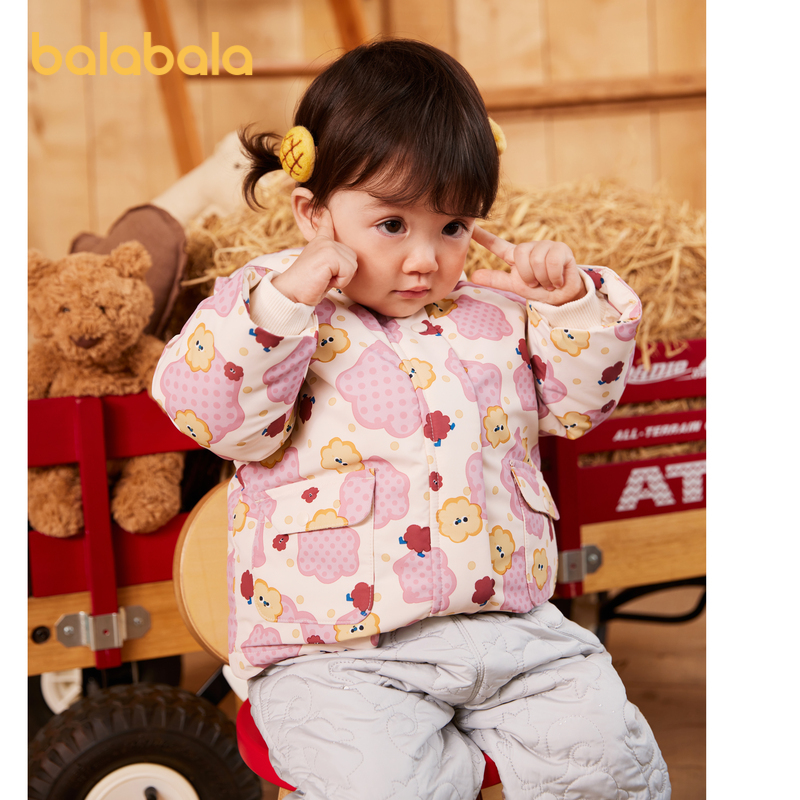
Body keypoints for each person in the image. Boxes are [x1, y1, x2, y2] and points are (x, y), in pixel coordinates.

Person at [153, 38, 669, 800]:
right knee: (383, 783)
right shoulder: (274, 304)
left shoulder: (496, 311)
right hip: (335, 651)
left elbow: (578, 407)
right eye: (392, 225)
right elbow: (212, 415)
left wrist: (570, 308)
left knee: (609, 759)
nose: (425, 258)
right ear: (313, 213)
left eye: (452, 226)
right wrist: (281, 306)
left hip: (512, 634)